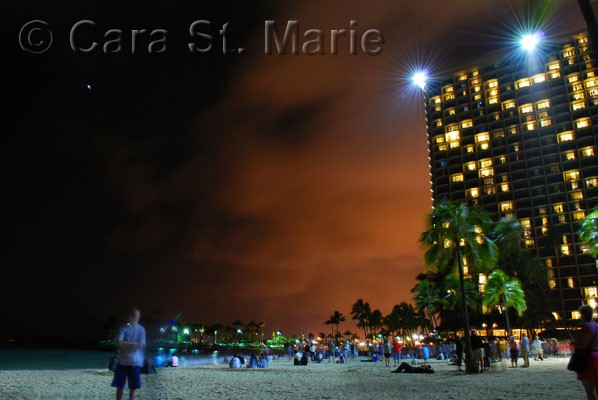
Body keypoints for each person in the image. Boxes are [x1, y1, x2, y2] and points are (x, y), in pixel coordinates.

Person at [111, 308, 146, 400]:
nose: (134, 318)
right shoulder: (125, 328)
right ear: (130, 317)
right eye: (133, 316)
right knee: (122, 387)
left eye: (136, 316)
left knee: (129, 388)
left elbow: (140, 345)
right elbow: (119, 342)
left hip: (132, 362)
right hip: (127, 362)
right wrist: (133, 344)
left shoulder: (140, 329)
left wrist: (124, 344)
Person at [575, 304, 598, 400]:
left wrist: (575, 344)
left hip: (588, 359)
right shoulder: (596, 325)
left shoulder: (585, 327)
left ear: (583, 315)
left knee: (589, 390)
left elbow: (583, 345)